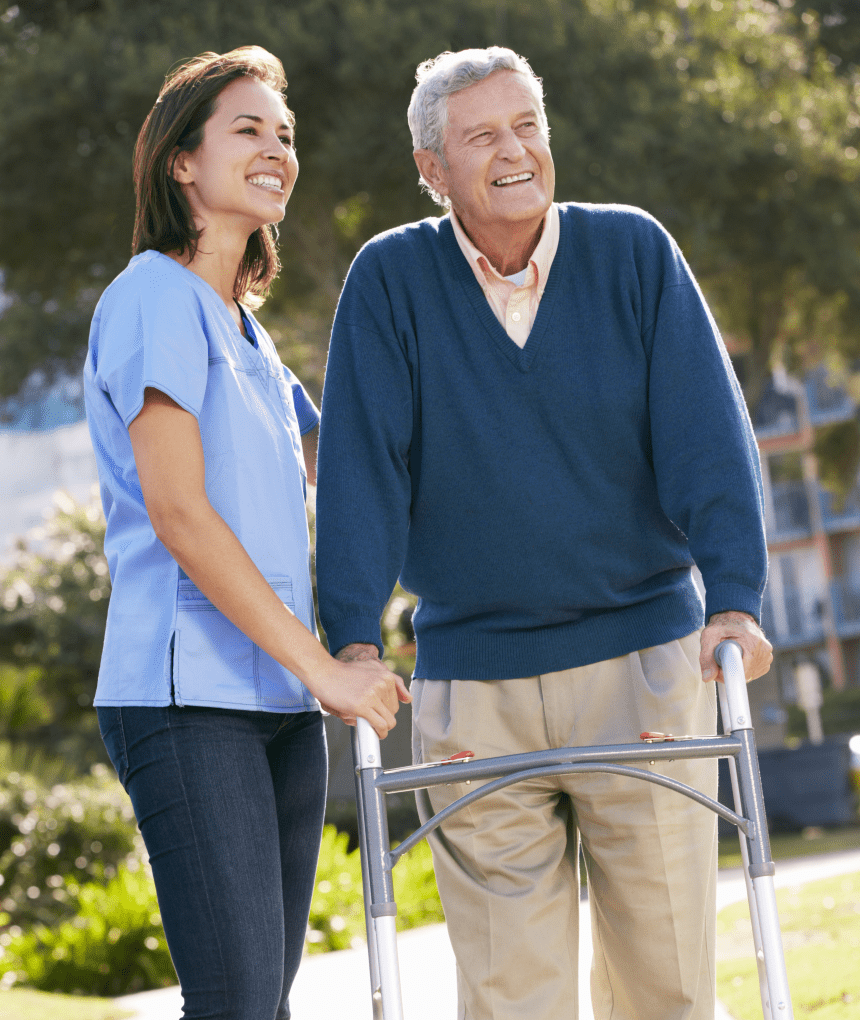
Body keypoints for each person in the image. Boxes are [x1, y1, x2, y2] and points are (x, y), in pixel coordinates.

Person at [315, 46, 773, 1020]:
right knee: (508, 994)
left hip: (646, 662)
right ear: (431, 170)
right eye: (483, 135)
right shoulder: (390, 281)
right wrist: (352, 635)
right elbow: (362, 472)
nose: (516, 150)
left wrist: (735, 599)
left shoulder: (633, 253)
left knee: (670, 982)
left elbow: (707, 439)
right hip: (473, 687)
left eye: (528, 125)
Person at [83, 47, 409, 1020]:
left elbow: (349, 464)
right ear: (181, 161)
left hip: (277, 705)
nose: (277, 149)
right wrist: (328, 670)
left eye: (286, 134)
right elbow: (180, 514)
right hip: (186, 699)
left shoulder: (247, 331)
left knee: (262, 1000)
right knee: (233, 1002)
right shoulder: (153, 296)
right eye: (248, 129)